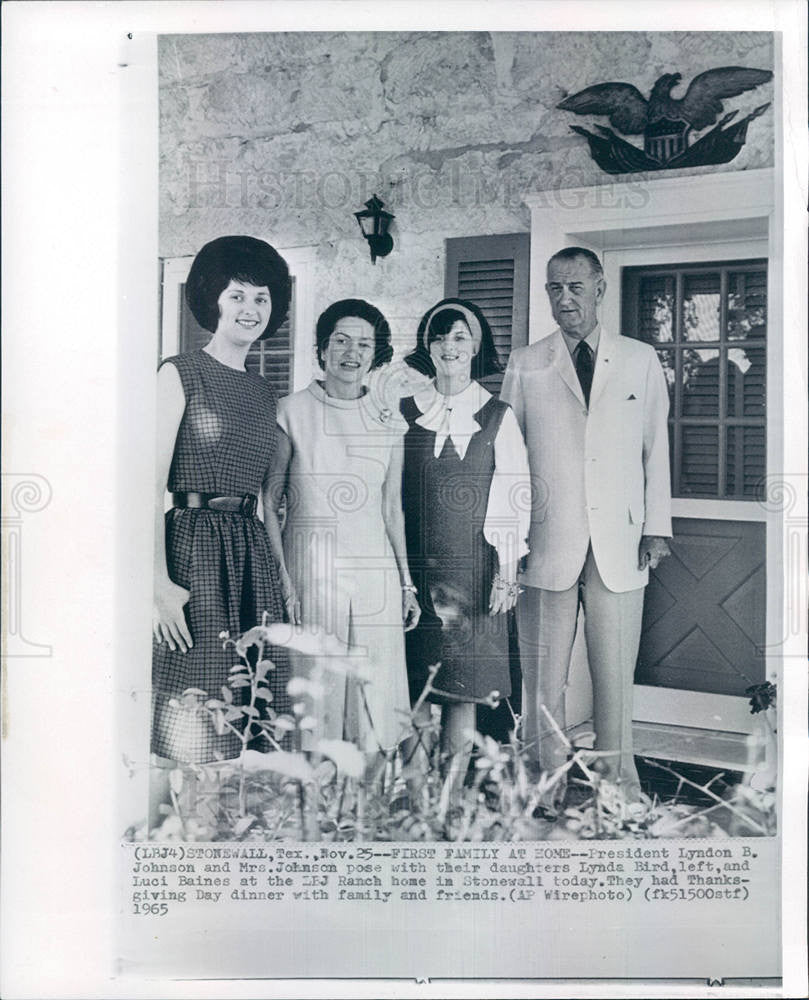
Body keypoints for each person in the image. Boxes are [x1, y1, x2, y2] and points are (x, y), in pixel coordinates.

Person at [500, 247, 672, 801]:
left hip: (620, 542)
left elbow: (655, 449)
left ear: (600, 288)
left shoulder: (640, 359)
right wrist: (510, 539)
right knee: (541, 682)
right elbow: (508, 458)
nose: (565, 298)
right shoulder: (526, 363)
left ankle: (619, 790)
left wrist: (656, 526)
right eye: (555, 288)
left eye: (576, 287)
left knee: (614, 678)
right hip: (544, 540)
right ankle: (540, 787)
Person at [151, 236, 296, 818]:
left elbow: (268, 499)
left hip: (251, 556)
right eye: (237, 295)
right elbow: (147, 484)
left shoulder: (266, 394)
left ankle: (223, 841)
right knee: (196, 712)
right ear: (213, 299)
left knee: (248, 715)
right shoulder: (178, 373)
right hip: (191, 553)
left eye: (262, 298)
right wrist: (156, 581)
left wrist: (282, 579)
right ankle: (181, 845)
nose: (250, 309)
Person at [270, 299, 420, 769]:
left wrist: (406, 583)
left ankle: (367, 810)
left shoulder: (388, 420)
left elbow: (391, 509)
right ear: (321, 349)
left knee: (376, 692)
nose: (351, 353)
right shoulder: (290, 412)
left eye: (363, 344)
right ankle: (314, 811)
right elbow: (269, 503)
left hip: (375, 574)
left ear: (375, 355)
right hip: (311, 570)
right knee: (318, 694)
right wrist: (284, 581)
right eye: (341, 341)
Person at [401, 298, 531, 797]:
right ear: (427, 345)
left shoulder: (498, 415)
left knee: (461, 692)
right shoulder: (405, 413)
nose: (449, 346)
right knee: (413, 693)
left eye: (460, 336)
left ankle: (450, 801)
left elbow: (512, 499)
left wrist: (506, 570)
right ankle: (414, 800)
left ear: (477, 346)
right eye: (439, 336)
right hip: (413, 575)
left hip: (475, 575)